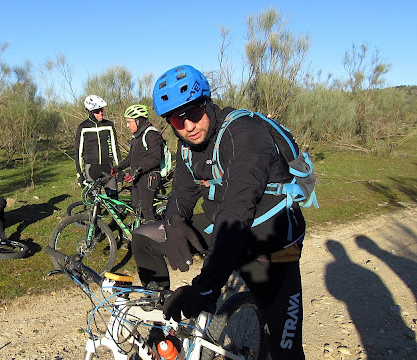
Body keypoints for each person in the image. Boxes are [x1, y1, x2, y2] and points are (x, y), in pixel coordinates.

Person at [131, 65, 306, 359]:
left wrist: (206, 286)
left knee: (284, 349)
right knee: (144, 237)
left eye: (194, 113)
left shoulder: (245, 134)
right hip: (225, 231)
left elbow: (237, 211)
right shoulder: (187, 144)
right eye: (176, 119)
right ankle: (161, 326)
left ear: (208, 103)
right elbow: (180, 195)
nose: (187, 126)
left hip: (270, 243)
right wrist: (174, 223)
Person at [113, 104, 163, 221]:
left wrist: (138, 169)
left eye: (129, 122)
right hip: (136, 177)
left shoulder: (151, 134)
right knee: (136, 209)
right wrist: (119, 167)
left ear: (138, 121)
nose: (127, 125)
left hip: (148, 178)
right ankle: (142, 235)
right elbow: (131, 158)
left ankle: (155, 237)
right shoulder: (137, 136)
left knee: (147, 211)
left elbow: (156, 158)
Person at [74, 95, 120, 198]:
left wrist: (119, 168)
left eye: (102, 109)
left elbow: (115, 148)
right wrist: (79, 174)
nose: (101, 113)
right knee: (93, 204)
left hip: (108, 167)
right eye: (97, 111)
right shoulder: (83, 127)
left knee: (114, 201)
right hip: (91, 168)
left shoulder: (109, 125)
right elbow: (78, 152)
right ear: (90, 112)